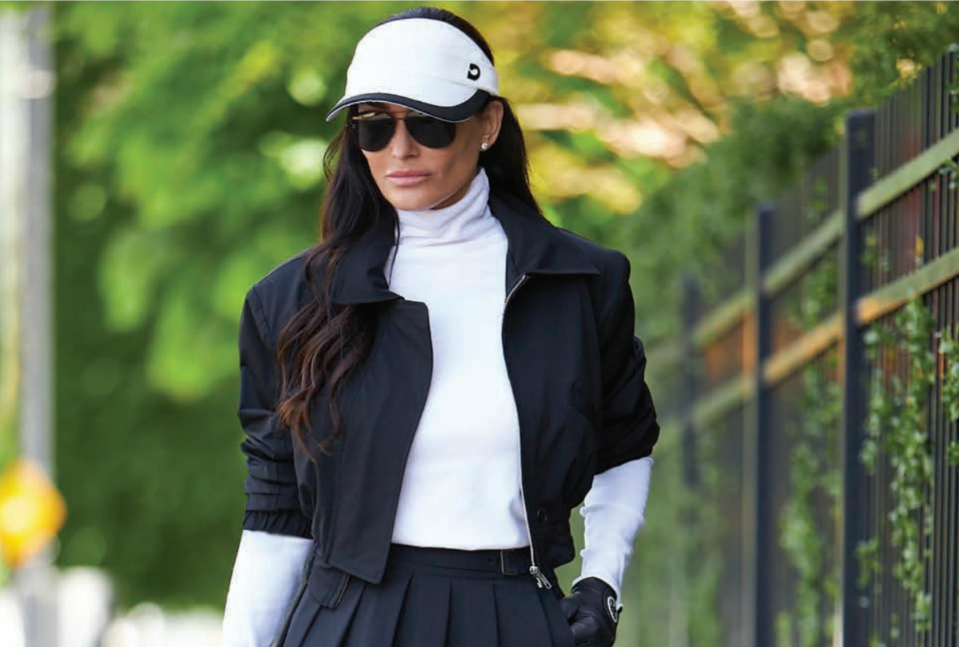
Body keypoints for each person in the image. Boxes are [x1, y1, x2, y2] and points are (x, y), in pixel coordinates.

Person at [220, 6, 659, 647]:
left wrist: (601, 583)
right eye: (373, 127)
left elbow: (624, 445)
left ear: (488, 123)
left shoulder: (581, 284)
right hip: (350, 623)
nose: (400, 149)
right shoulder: (293, 303)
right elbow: (276, 516)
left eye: (429, 122)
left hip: (518, 614)